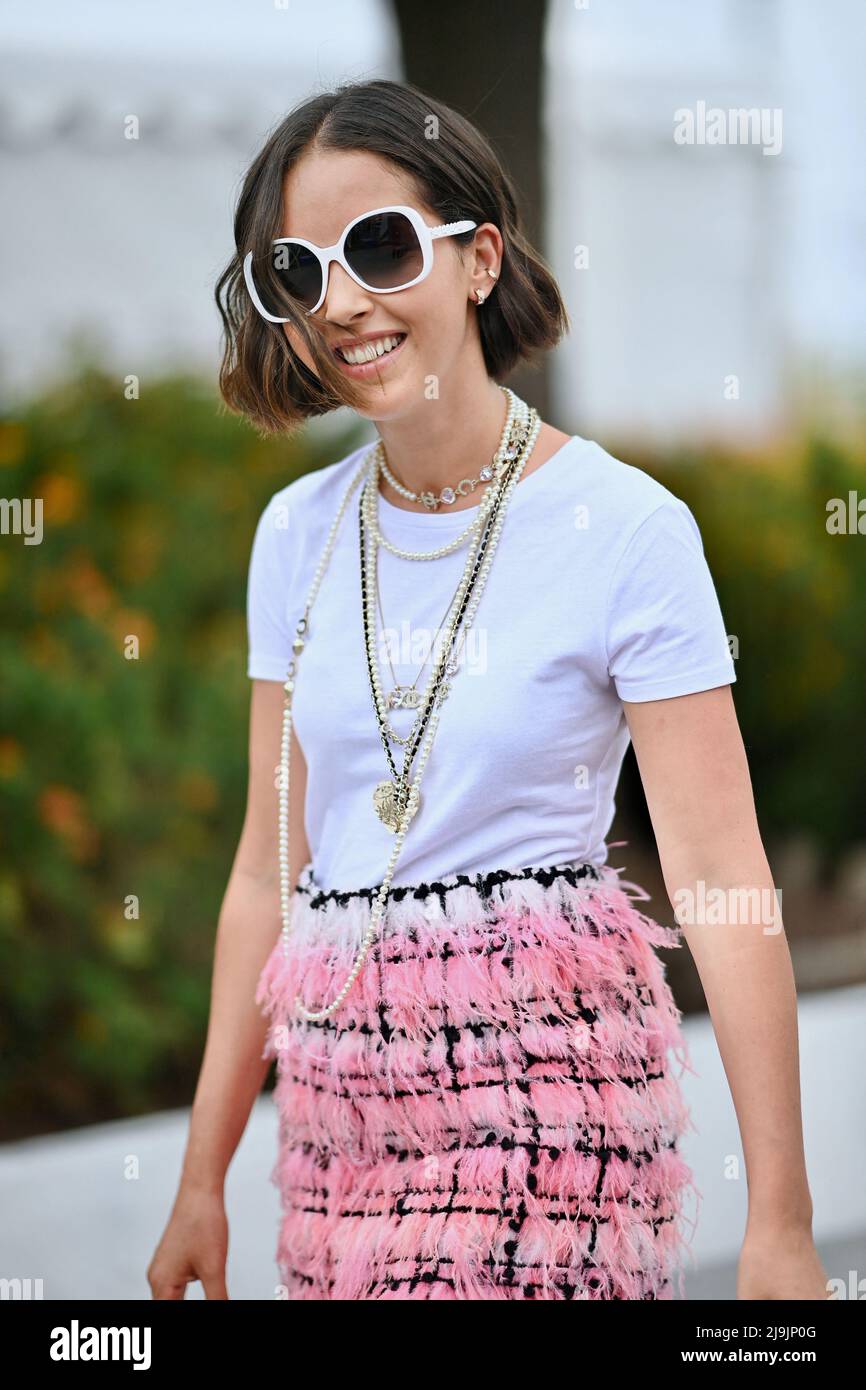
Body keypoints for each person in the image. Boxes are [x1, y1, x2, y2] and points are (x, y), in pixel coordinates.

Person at [148, 78, 828, 1301]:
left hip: (544, 1105)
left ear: (477, 260)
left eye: (380, 246)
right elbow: (267, 867)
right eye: (299, 272)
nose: (343, 301)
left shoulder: (626, 529)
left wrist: (779, 1224)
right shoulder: (295, 536)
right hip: (342, 1116)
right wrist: (202, 1179)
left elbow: (723, 878)